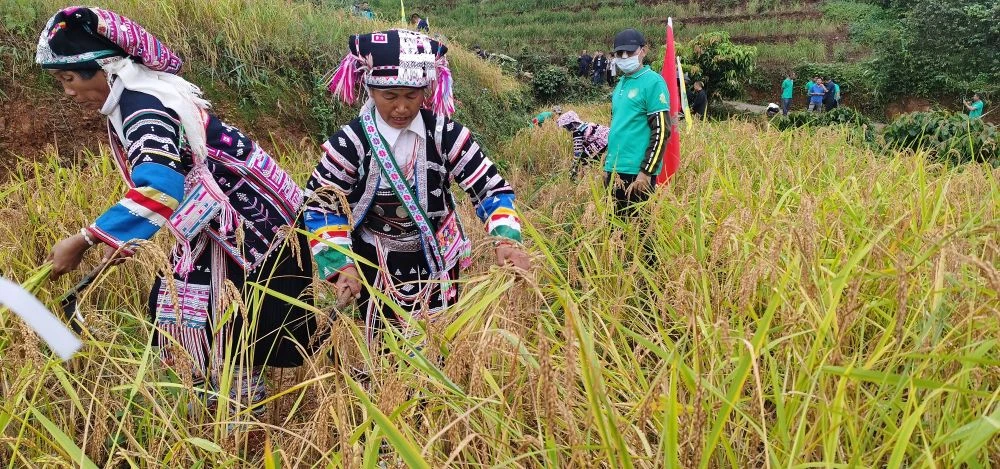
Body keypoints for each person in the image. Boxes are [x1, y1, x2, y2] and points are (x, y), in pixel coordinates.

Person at [38, 7, 319, 416]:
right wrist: (119, 237)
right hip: (227, 219)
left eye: (68, 79)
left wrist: (85, 239)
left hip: (252, 228)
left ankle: (239, 418)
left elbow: (160, 186)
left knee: (211, 315)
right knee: (192, 309)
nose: (67, 92)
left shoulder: (142, 108)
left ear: (103, 67)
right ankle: (225, 406)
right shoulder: (141, 95)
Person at [308, 29, 530, 352]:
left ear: (426, 90)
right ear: (370, 89)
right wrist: (341, 264)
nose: (401, 107)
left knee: (439, 344)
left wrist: (506, 238)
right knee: (384, 349)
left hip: (438, 262)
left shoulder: (445, 133)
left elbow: (489, 187)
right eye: (390, 96)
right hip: (376, 261)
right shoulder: (351, 142)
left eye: (411, 96)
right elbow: (320, 204)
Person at [606, 28, 670, 216]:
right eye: (620, 53)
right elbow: (617, 126)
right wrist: (607, 166)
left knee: (639, 233)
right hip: (615, 169)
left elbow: (661, 130)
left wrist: (646, 172)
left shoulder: (653, 82)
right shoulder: (621, 84)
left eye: (630, 52)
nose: (624, 57)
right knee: (613, 228)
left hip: (637, 173)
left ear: (644, 50)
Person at [557, 111, 609, 181]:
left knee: (583, 160)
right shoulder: (587, 124)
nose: (566, 128)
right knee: (591, 156)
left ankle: (580, 178)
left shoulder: (577, 132)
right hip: (611, 138)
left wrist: (574, 166)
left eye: (565, 126)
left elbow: (578, 152)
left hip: (601, 142)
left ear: (571, 124)